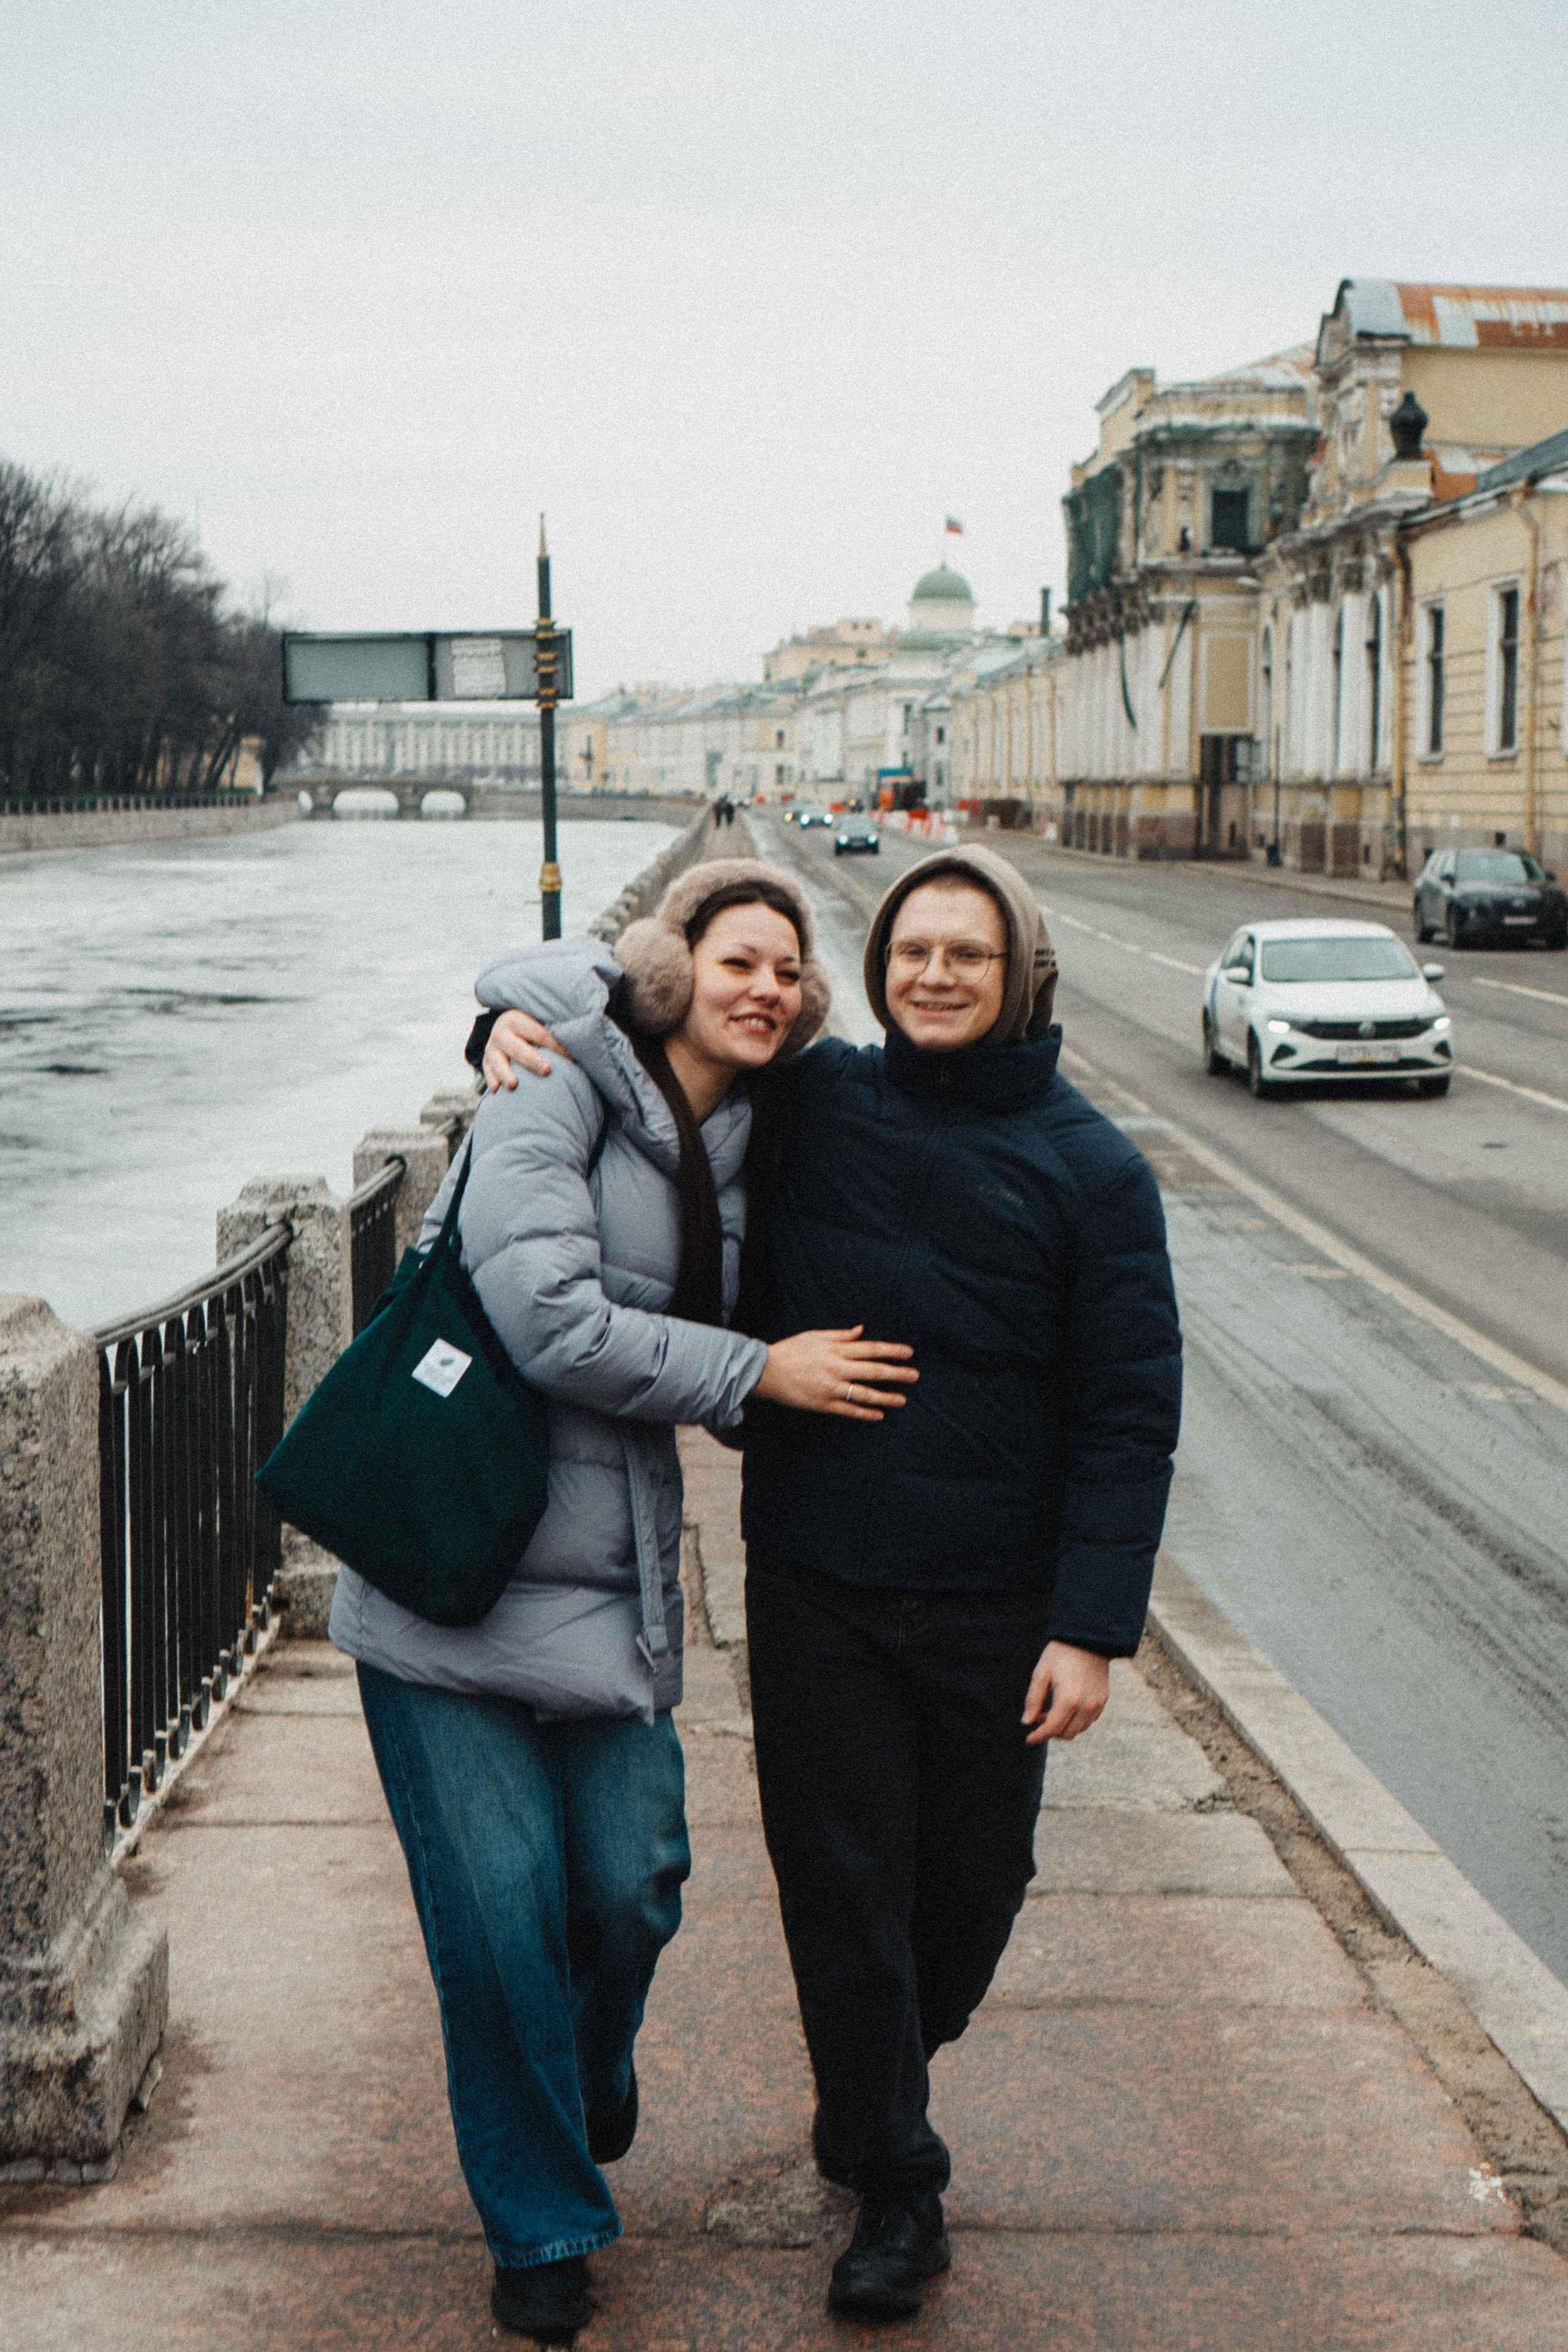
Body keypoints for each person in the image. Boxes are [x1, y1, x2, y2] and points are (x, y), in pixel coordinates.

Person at [481, 842, 1182, 2323]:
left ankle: (876, 2092)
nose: (932, 974)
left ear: (1019, 978)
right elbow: (633, 1023)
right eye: (911, 951)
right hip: (821, 1584)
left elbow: (1128, 1414)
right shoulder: (814, 1099)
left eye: (966, 956)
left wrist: (1090, 1627)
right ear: (874, 974)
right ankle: (895, 2179)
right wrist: (496, 1024)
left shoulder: (1095, 1175)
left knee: (969, 1900)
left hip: (998, 1606)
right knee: (844, 1887)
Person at [331, 860, 918, 2346]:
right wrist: (753, 1371)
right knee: (499, 1917)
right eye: (740, 957)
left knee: (632, 1884)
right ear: (672, 966)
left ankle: (581, 2079)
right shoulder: (556, 1081)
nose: (767, 987)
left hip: (610, 1580)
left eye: (791, 967)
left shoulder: (764, 1130)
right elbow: (540, 1320)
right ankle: (539, 2221)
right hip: (449, 1565)